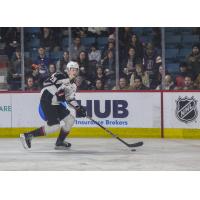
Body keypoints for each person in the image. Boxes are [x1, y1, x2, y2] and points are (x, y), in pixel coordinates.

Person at [20, 61, 86, 150]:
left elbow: (70, 98)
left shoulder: (73, 85)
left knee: (70, 119)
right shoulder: (59, 75)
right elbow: (47, 83)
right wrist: (66, 81)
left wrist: (78, 108)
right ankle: (27, 136)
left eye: (76, 70)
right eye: (72, 69)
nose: (74, 72)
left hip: (56, 103)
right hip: (47, 99)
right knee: (54, 126)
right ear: (68, 70)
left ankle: (59, 142)